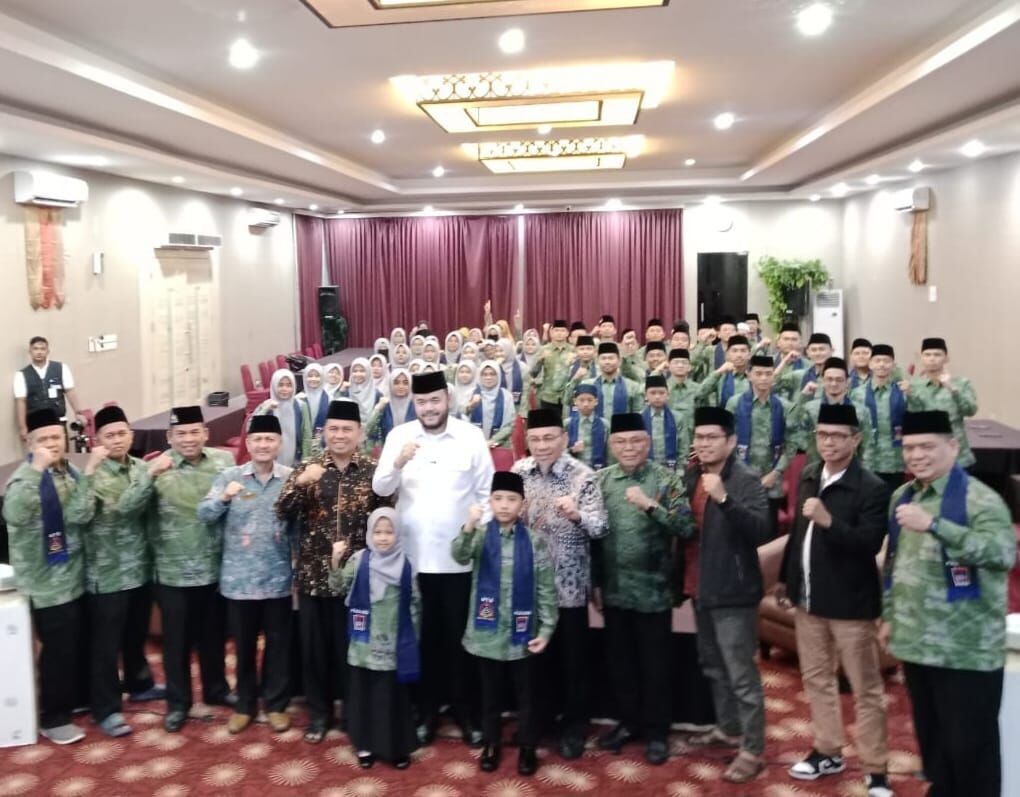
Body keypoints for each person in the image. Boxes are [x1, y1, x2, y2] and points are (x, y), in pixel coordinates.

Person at [880, 410, 1016, 797]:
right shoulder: (903, 497)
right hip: (917, 642)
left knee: (971, 749)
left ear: (953, 447)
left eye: (927, 446)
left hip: (966, 647)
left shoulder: (981, 499)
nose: (916, 455)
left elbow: (1002, 554)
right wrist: (889, 615)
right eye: (909, 447)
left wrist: (936, 525)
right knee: (934, 743)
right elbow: (894, 562)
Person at [373, 370, 495, 746]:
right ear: (415, 403)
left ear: (448, 399)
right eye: (422, 402)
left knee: (459, 639)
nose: (429, 408)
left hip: (458, 561)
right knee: (421, 638)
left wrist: (475, 538)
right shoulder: (399, 436)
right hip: (412, 560)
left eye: (435, 400)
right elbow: (381, 488)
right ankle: (425, 711)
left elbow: (487, 495)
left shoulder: (470, 437)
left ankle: (464, 710)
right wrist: (397, 462)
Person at [776, 404, 893, 797]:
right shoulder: (810, 474)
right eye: (822, 434)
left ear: (855, 439)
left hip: (851, 606)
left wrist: (829, 521)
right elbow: (798, 535)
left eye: (838, 435)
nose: (829, 442)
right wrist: (786, 580)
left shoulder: (872, 487)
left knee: (865, 689)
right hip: (809, 601)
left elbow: (869, 543)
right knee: (816, 680)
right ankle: (828, 750)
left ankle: (876, 769)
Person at [276, 400, 390, 743]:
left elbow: (386, 523)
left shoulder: (373, 472)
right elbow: (282, 511)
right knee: (315, 652)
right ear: (324, 432)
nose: (340, 435)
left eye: (347, 429)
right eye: (334, 429)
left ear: (360, 434)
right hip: (314, 577)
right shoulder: (308, 467)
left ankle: (353, 713)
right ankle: (319, 715)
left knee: (352, 649)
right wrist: (301, 483)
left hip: (357, 580)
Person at [594, 412, 693, 765]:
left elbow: (685, 527)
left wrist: (651, 506)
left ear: (648, 443)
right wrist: (595, 582)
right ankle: (628, 723)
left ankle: (656, 732)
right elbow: (593, 536)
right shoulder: (601, 481)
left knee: (656, 667)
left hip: (654, 591)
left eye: (636, 441)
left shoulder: (666, 479)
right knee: (621, 665)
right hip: (615, 590)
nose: (629, 448)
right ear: (611, 445)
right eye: (621, 442)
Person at [682, 407, 771, 784]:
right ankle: (728, 727)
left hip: (734, 590)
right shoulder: (691, 474)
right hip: (699, 585)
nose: (704, 444)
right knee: (713, 666)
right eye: (699, 437)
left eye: (712, 437)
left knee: (741, 673)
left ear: (731, 441)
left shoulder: (745, 479)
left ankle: (753, 749)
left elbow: (762, 531)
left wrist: (724, 499)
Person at [512, 409, 608, 759]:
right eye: (535, 439)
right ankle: (539, 720)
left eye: (549, 438)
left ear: (564, 438)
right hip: (530, 586)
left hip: (568, 586)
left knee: (573, 661)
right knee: (534, 660)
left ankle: (574, 726)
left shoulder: (583, 476)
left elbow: (601, 527)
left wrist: (577, 515)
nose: (542, 445)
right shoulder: (518, 472)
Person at [453, 472, 558, 776]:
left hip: (522, 635)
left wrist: (547, 630)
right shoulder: (479, 535)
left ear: (522, 504)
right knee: (490, 696)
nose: (504, 505)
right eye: (498, 498)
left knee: (527, 696)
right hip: (486, 635)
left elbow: (546, 588)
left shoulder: (534, 541)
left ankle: (527, 747)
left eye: (511, 499)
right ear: (490, 501)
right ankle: (491, 743)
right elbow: (459, 555)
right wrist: (469, 525)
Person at [3, 408, 97, 744]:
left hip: (74, 576)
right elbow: (14, 514)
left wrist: (88, 474)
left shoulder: (69, 472)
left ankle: (77, 699)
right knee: (57, 651)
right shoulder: (24, 478)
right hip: (46, 583)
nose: (52, 444)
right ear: (30, 444)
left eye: (56, 437)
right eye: (43, 439)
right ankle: (53, 718)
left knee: (76, 644)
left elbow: (81, 515)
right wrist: (36, 469)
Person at [197, 415, 294, 735]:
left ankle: (276, 705)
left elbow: (299, 528)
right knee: (244, 647)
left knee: (278, 646)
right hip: (239, 581)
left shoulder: (290, 479)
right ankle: (245, 706)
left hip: (279, 578)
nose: (263, 445)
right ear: (248, 444)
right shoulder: (229, 477)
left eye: (270, 439)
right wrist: (224, 498)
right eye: (257, 439)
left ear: (279, 443)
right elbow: (204, 515)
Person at [147, 405, 235, 732]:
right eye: (181, 433)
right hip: (173, 569)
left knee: (213, 635)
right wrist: (148, 476)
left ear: (206, 433)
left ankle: (216, 689)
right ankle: (178, 703)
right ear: (169, 437)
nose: (188, 439)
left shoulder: (224, 462)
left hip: (214, 565)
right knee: (176, 643)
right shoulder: (157, 468)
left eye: (195, 431)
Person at [81, 405, 158, 738]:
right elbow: (122, 508)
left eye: (122, 433)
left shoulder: (140, 467)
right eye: (109, 435)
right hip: (108, 573)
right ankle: (106, 708)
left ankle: (140, 684)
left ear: (131, 434)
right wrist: (150, 477)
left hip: (139, 568)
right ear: (96, 439)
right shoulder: (92, 475)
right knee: (106, 646)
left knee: (135, 635)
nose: (117, 440)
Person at [330, 508, 421, 770]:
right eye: (378, 532)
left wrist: (412, 640)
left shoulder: (406, 565)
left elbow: (415, 605)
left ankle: (396, 747)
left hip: (394, 644)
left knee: (391, 697)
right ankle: (365, 745)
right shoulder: (359, 560)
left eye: (389, 532)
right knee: (364, 695)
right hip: (363, 645)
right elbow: (338, 587)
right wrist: (335, 561)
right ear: (370, 533)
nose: (382, 537)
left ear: (397, 534)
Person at [726, 355, 797, 536]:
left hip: (771, 481)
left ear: (774, 376)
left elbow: (792, 444)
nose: (764, 378)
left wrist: (775, 473)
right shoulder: (734, 403)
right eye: (758, 373)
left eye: (768, 373)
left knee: (768, 532)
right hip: (740, 478)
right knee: (740, 531)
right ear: (749, 375)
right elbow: (727, 441)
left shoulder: (785, 406)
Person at [904, 337, 978, 469]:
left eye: (937, 355)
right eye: (927, 355)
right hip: (926, 456)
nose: (932, 359)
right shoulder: (914, 385)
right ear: (921, 358)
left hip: (957, 456)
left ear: (946, 358)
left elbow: (971, 410)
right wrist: (910, 395)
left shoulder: (961, 383)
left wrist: (952, 389)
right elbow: (915, 416)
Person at [791, 357, 872, 466]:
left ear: (848, 382)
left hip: (849, 468)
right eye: (829, 379)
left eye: (839, 380)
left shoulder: (860, 411)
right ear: (822, 381)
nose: (834, 384)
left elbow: (866, 445)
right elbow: (793, 431)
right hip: (817, 466)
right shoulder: (810, 408)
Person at [851, 344, 907, 491]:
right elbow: (853, 427)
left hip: (896, 459)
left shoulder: (903, 392)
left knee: (895, 500)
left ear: (893, 365)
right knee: (869, 500)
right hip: (867, 459)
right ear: (870, 364)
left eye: (886, 361)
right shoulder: (857, 393)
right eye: (877, 360)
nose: (882, 364)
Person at [14, 336, 85, 444]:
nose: (39, 352)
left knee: (61, 451)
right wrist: (22, 427)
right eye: (35, 349)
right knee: (40, 452)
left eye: (42, 349)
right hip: (35, 423)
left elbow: (70, 392)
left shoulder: (61, 368)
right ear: (30, 351)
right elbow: (20, 402)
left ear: (48, 351)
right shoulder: (21, 375)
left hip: (58, 421)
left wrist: (78, 412)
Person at [253, 369, 313, 467]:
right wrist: (265, 409)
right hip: (270, 461)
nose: (285, 389)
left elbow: (307, 434)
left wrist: (306, 459)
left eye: (289, 385)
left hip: (296, 460)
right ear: (274, 386)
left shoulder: (301, 406)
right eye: (280, 385)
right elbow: (250, 428)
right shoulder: (267, 406)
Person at [581, 343, 643, 422]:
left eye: (611, 358)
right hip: (594, 428)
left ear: (619, 361)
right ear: (597, 361)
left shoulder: (632, 386)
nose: (607, 362)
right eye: (603, 358)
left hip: (623, 428)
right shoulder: (587, 385)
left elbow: (637, 414)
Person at [463, 361, 515, 449]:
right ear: (479, 376)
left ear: (498, 376)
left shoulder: (507, 396)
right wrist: (470, 405)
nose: (488, 377)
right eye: (484, 374)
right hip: (472, 445)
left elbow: (510, 425)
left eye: (492, 374)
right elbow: (459, 419)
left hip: (499, 445)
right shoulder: (470, 394)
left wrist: (492, 441)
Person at [529, 319, 574, 414]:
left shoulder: (573, 350)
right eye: (556, 330)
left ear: (567, 333)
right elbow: (533, 373)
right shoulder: (543, 350)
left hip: (568, 396)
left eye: (562, 330)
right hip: (548, 396)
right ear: (551, 333)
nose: (559, 333)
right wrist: (540, 360)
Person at [642, 374, 685, 472]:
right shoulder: (639, 418)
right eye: (653, 393)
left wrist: (680, 469)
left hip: (670, 468)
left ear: (668, 395)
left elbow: (683, 447)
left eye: (661, 393)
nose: (657, 397)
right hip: (645, 469)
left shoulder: (678, 417)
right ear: (646, 395)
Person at [695, 335, 752, 407]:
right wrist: (718, 372)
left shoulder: (755, 375)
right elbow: (698, 394)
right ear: (727, 354)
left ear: (749, 354)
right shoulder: (721, 376)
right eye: (734, 351)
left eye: (743, 351)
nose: (739, 355)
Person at [366, 369, 415, 446]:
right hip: (388, 449)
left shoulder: (415, 406)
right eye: (396, 383)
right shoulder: (384, 405)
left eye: (405, 383)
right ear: (391, 384)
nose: (401, 386)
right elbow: (369, 430)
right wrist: (378, 409)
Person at [566, 384, 608, 470]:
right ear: (575, 401)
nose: (586, 404)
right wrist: (572, 450)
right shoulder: (567, 424)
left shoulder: (604, 424)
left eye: (590, 400)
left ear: (596, 401)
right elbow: (559, 452)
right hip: (573, 470)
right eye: (581, 400)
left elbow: (610, 452)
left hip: (599, 470)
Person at [300, 363, 330, 450]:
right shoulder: (299, 399)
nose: (313, 379)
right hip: (303, 444)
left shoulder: (329, 398)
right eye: (310, 376)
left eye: (317, 376)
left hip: (322, 444)